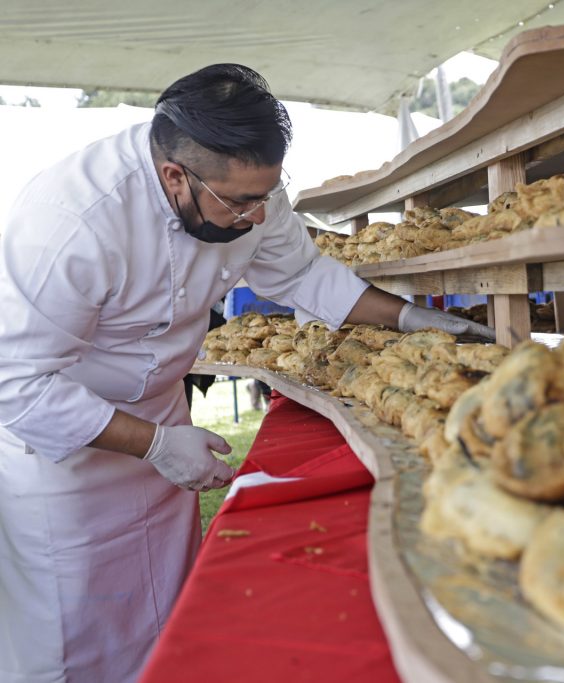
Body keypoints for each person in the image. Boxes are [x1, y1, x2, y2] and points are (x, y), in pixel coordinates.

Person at [0, 63, 492, 683]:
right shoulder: (70, 218)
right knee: (74, 636)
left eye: (267, 196)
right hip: (67, 455)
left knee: (164, 613)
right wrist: (152, 445)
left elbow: (303, 274)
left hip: (164, 420)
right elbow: (16, 383)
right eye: (240, 203)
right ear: (174, 175)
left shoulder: (247, 188)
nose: (258, 217)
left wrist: (412, 318)